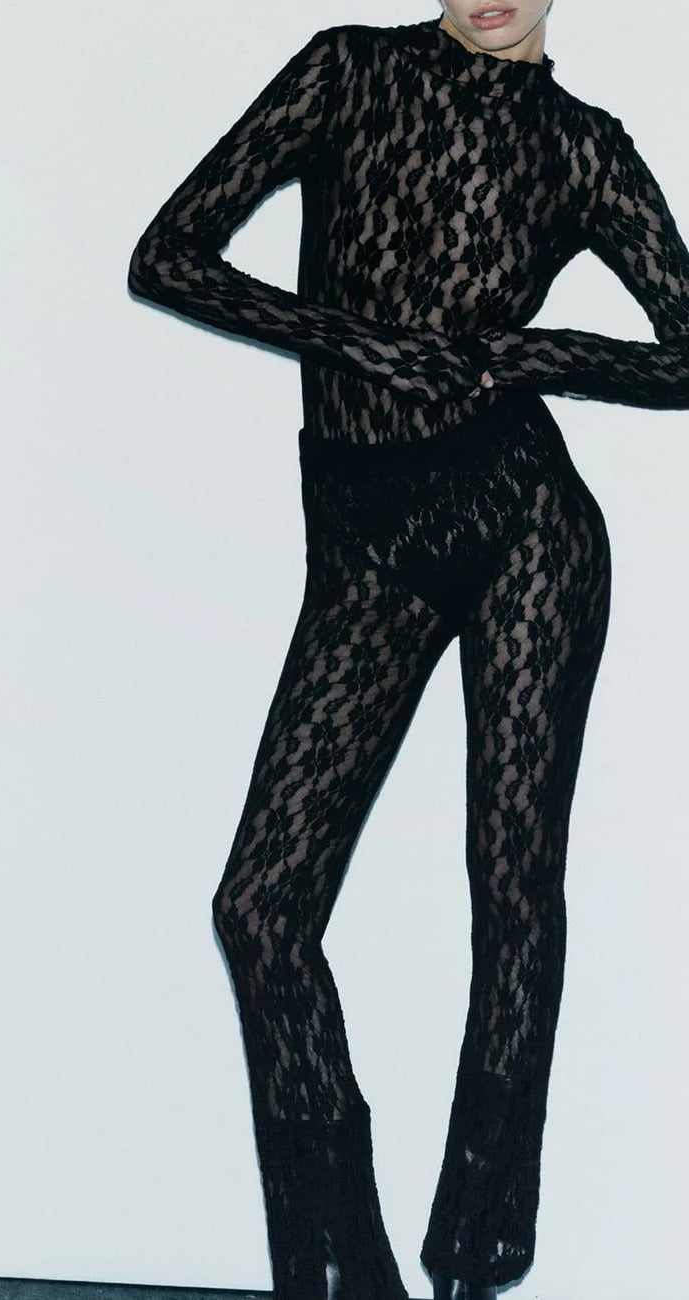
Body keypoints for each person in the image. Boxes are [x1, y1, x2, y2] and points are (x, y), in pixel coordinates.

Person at [126, 2, 689, 1297]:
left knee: (514, 893)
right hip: (365, 528)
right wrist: (363, 341)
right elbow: (169, 257)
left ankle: (477, 1258)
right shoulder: (350, 71)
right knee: (261, 907)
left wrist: (528, 355)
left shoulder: (582, 146)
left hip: (522, 522)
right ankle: (341, 1266)